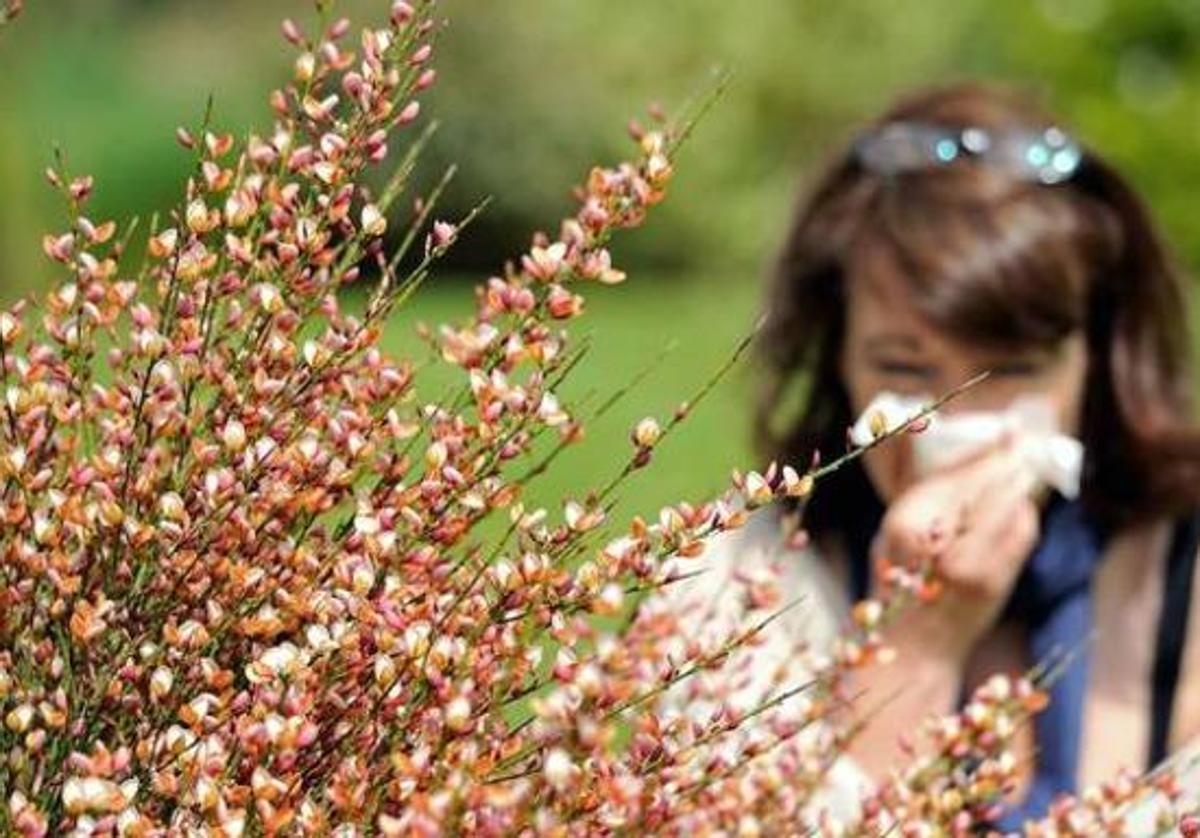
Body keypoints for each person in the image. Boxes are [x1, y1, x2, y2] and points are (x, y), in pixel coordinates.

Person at [687, 82, 1200, 826]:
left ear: (1095, 362)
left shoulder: (1184, 570)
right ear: (838, 360)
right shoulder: (747, 577)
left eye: (1015, 371)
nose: (953, 419)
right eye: (903, 369)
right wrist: (916, 646)